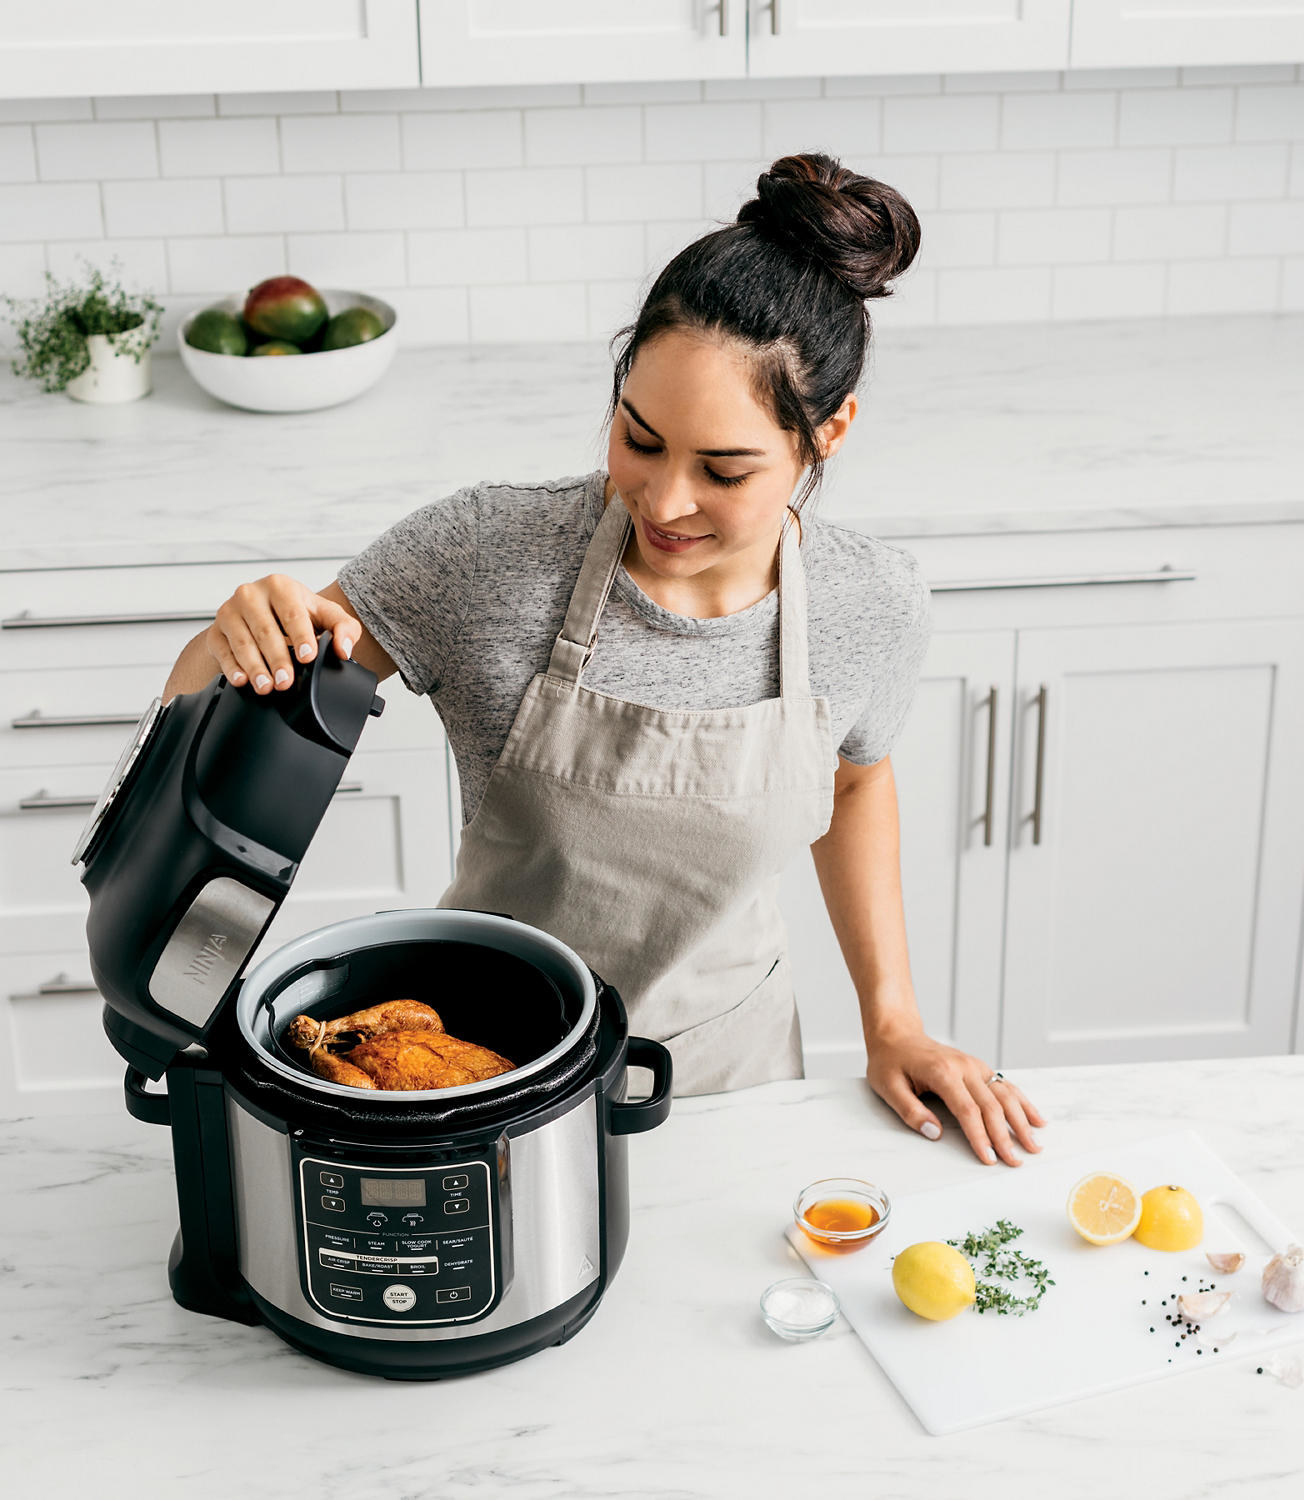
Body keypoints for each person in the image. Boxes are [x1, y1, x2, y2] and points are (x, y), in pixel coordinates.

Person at [163, 152, 1046, 1168]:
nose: (665, 500)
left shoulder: (870, 603)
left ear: (829, 434)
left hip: (731, 1081)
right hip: (483, 1074)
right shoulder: (485, 556)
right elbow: (233, 705)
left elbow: (854, 785)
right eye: (638, 437)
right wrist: (229, 637)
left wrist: (893, 1020)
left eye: (724, 470)